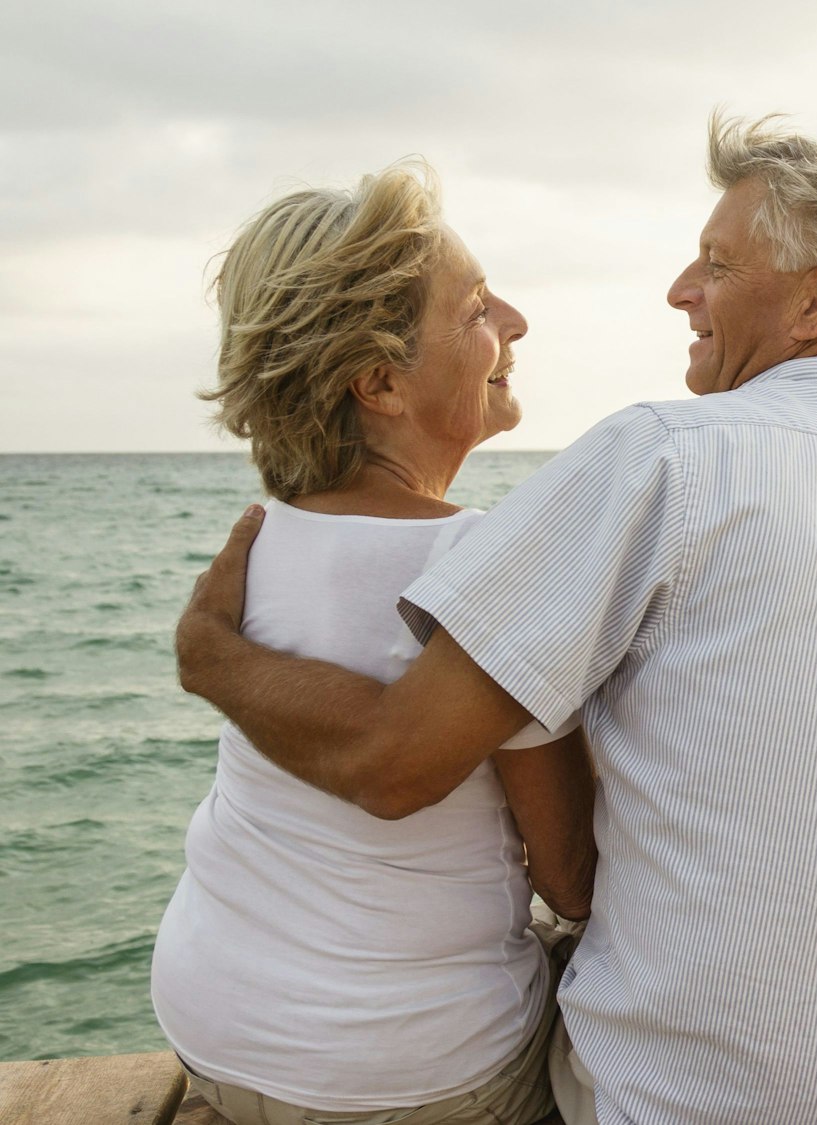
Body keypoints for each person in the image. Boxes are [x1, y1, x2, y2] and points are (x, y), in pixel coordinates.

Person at [177, 115, 817, 1125]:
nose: (679, 292)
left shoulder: (667, 454)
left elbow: (398, 762)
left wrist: (209, 656)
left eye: (715, 267)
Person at [152, 163, 596, 1125]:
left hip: (212, 1032)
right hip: (414, 1080)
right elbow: (570, 875)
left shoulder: (260, 543)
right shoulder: (481, 557)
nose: (514, 321)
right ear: (380, 381)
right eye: (477, 308)